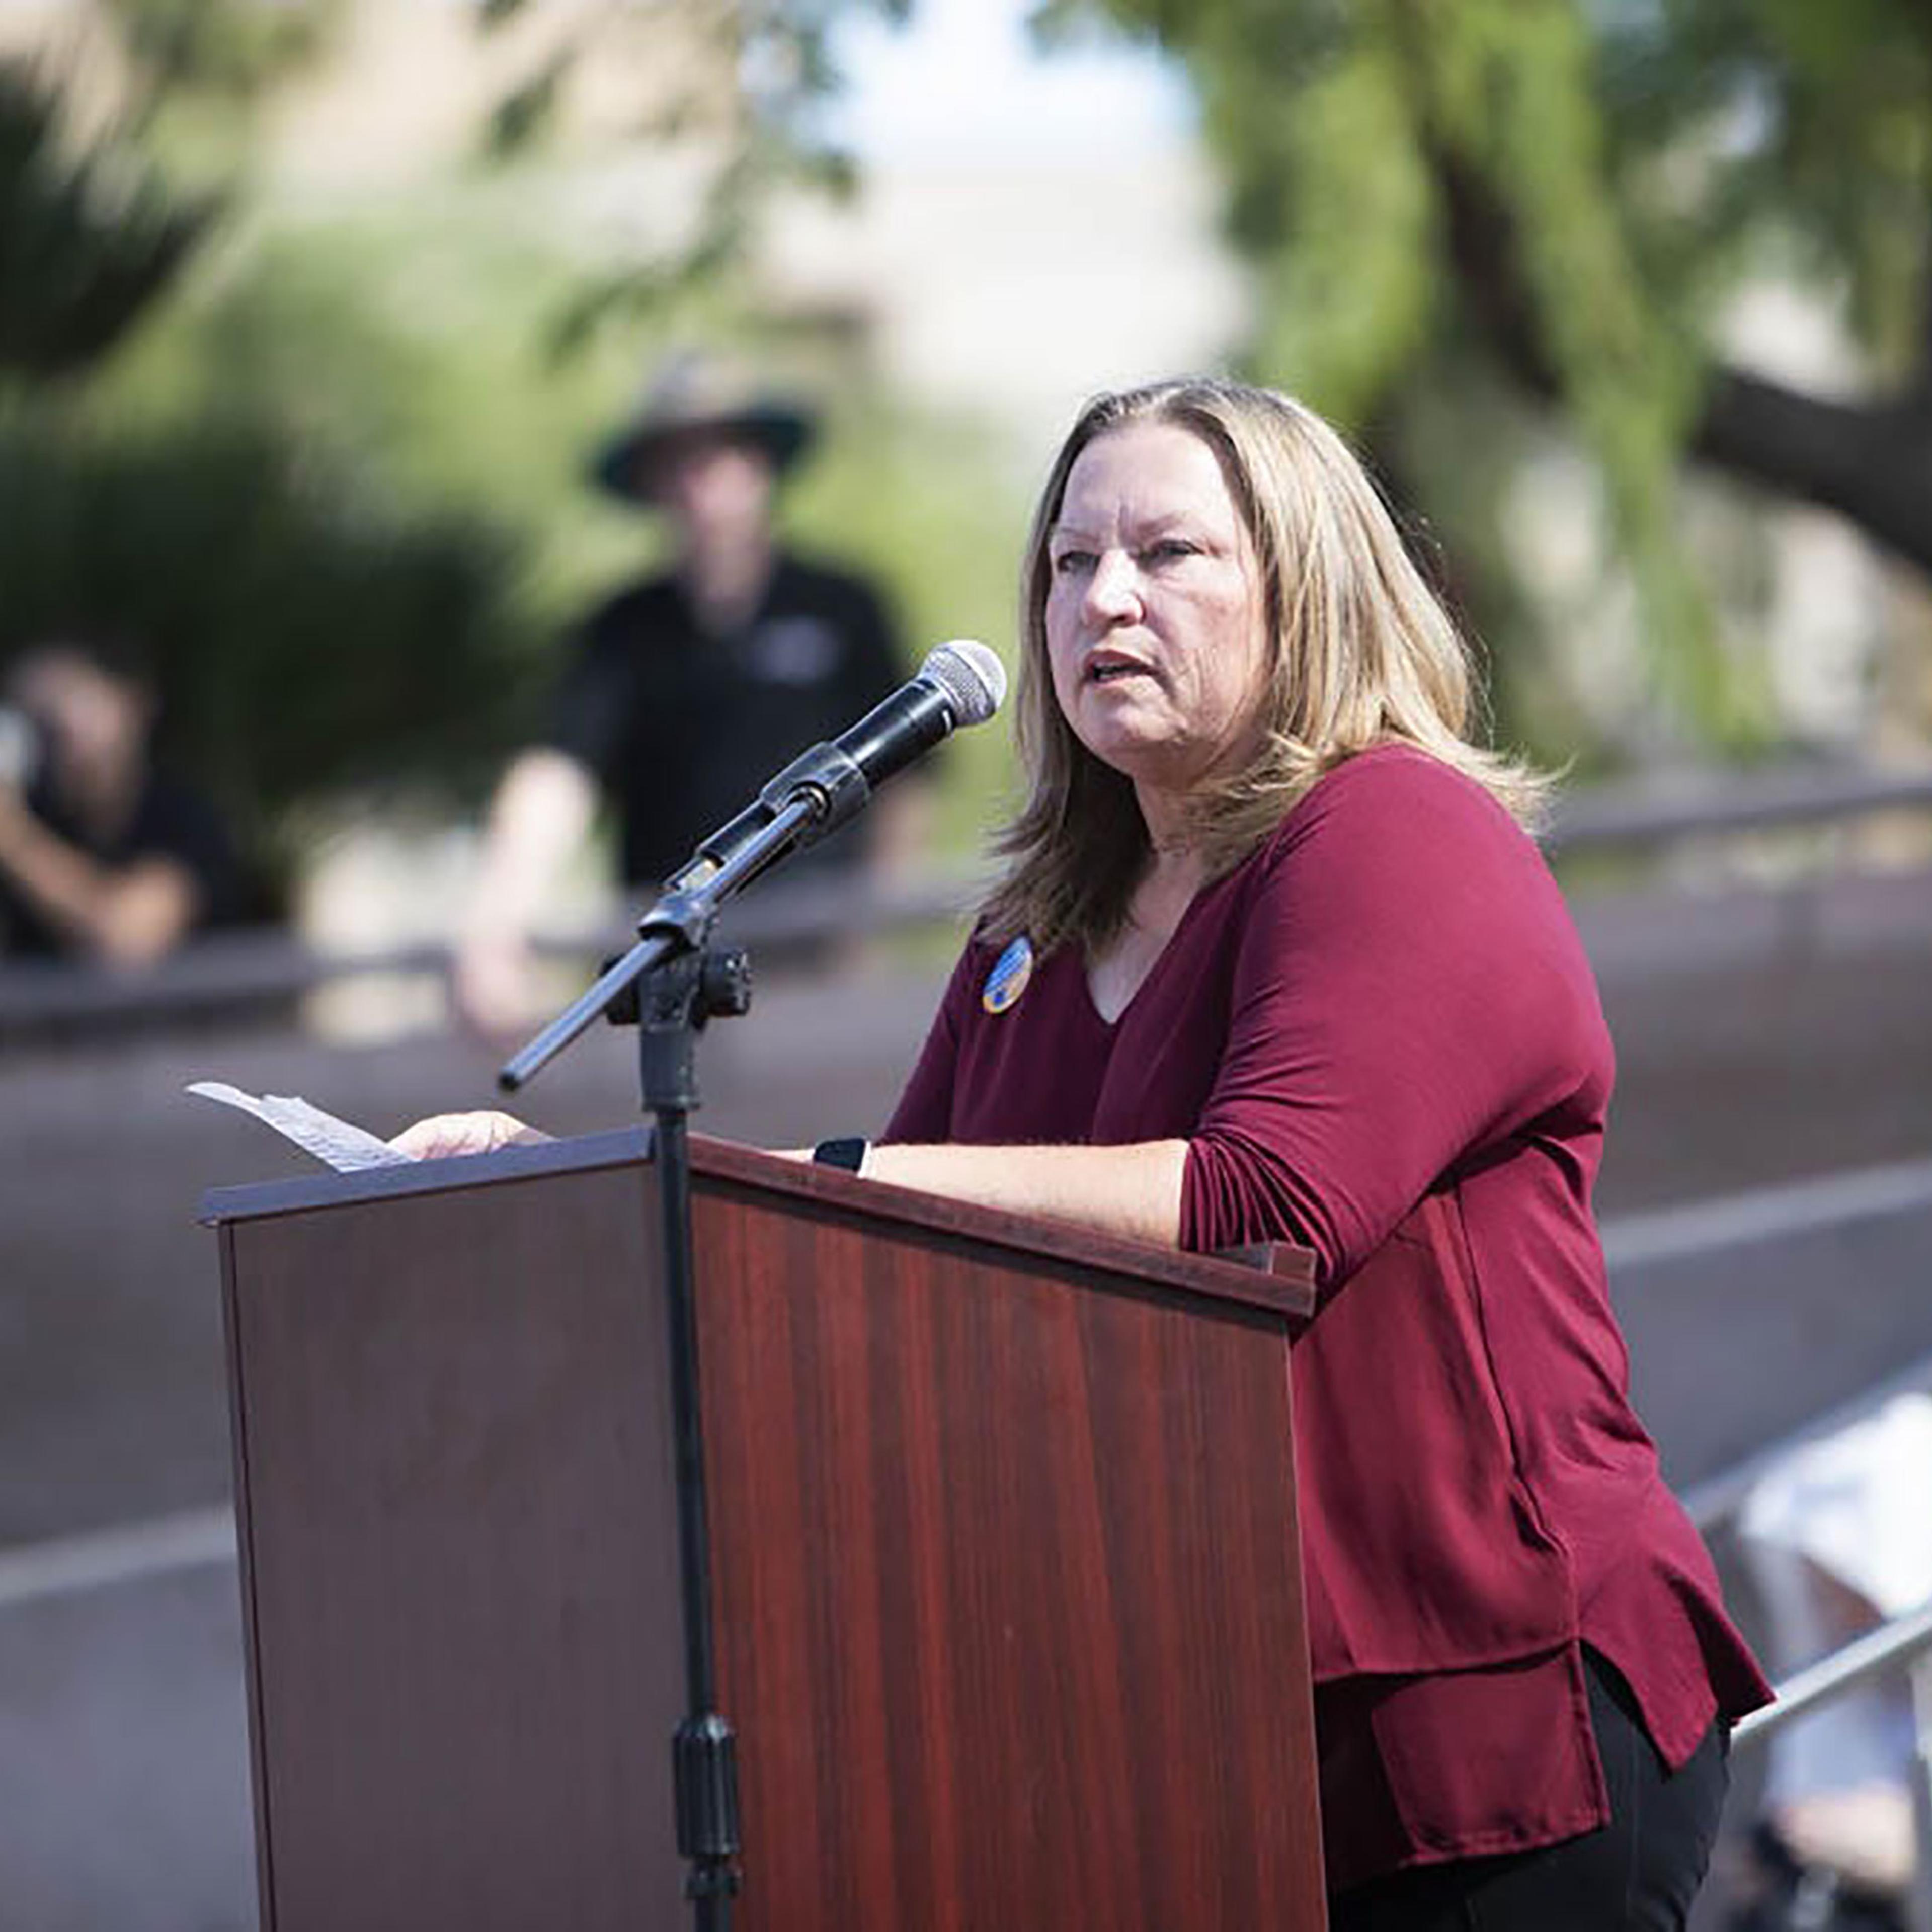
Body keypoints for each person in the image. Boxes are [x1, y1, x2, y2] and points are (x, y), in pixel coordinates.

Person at [399, 376, 1772, 1926]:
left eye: (1167, 552)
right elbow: (873, 1273)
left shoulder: (1394, 828)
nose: (1104, 597)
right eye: (1069, 561)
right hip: (1190, 1748)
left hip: (1484, 1727)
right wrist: (571, 1197)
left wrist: (819, 1170)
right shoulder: (1029, 934)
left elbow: (1260, 1202)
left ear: (1304, 586)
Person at [455, 353, 914, 1036]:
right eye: (679, 459)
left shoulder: (843, 607)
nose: (704, 480)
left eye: (724, 451)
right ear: (652, 482)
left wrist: (870, 931)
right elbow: (560, 773)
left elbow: (906, 782)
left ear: (762, 463)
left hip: (813, 951)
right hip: (673, 959)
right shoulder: (624, 630)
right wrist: (498, 920)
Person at [0, 636, 237, 966]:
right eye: (37, 711)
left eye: (75, 697)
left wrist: (14, 838)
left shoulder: (184, 818)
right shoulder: (40, 817)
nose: (60, 725)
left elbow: (125, 935)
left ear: (134, 702)